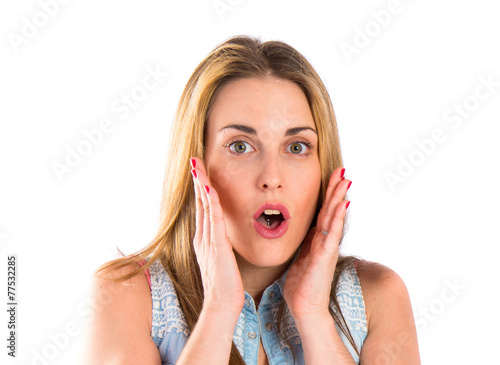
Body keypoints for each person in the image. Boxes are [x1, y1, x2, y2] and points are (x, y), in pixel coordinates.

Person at [85, 35, 420, 364]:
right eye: (240, 146)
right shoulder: (127, 294)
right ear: (196, 162)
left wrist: (314, 317)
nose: (271, 178)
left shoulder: (379, 296)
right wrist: (218, 308)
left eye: (296, 147)